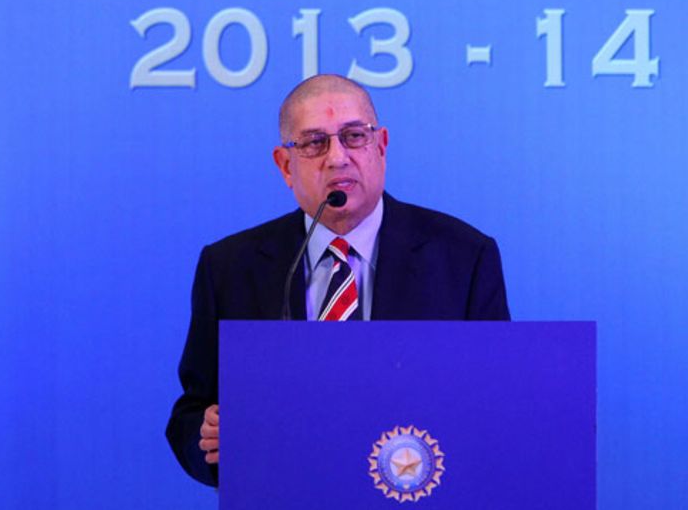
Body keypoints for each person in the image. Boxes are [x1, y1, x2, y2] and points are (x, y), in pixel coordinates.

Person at [166, 74, 510, 486]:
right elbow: (192, 412)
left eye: (353, 136)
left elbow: (497, 403)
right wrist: (209, 439)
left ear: (380, 146)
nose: (337, 157)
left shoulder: (463, 257)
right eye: (314, 143)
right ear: (284, 165)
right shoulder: (229, 266)